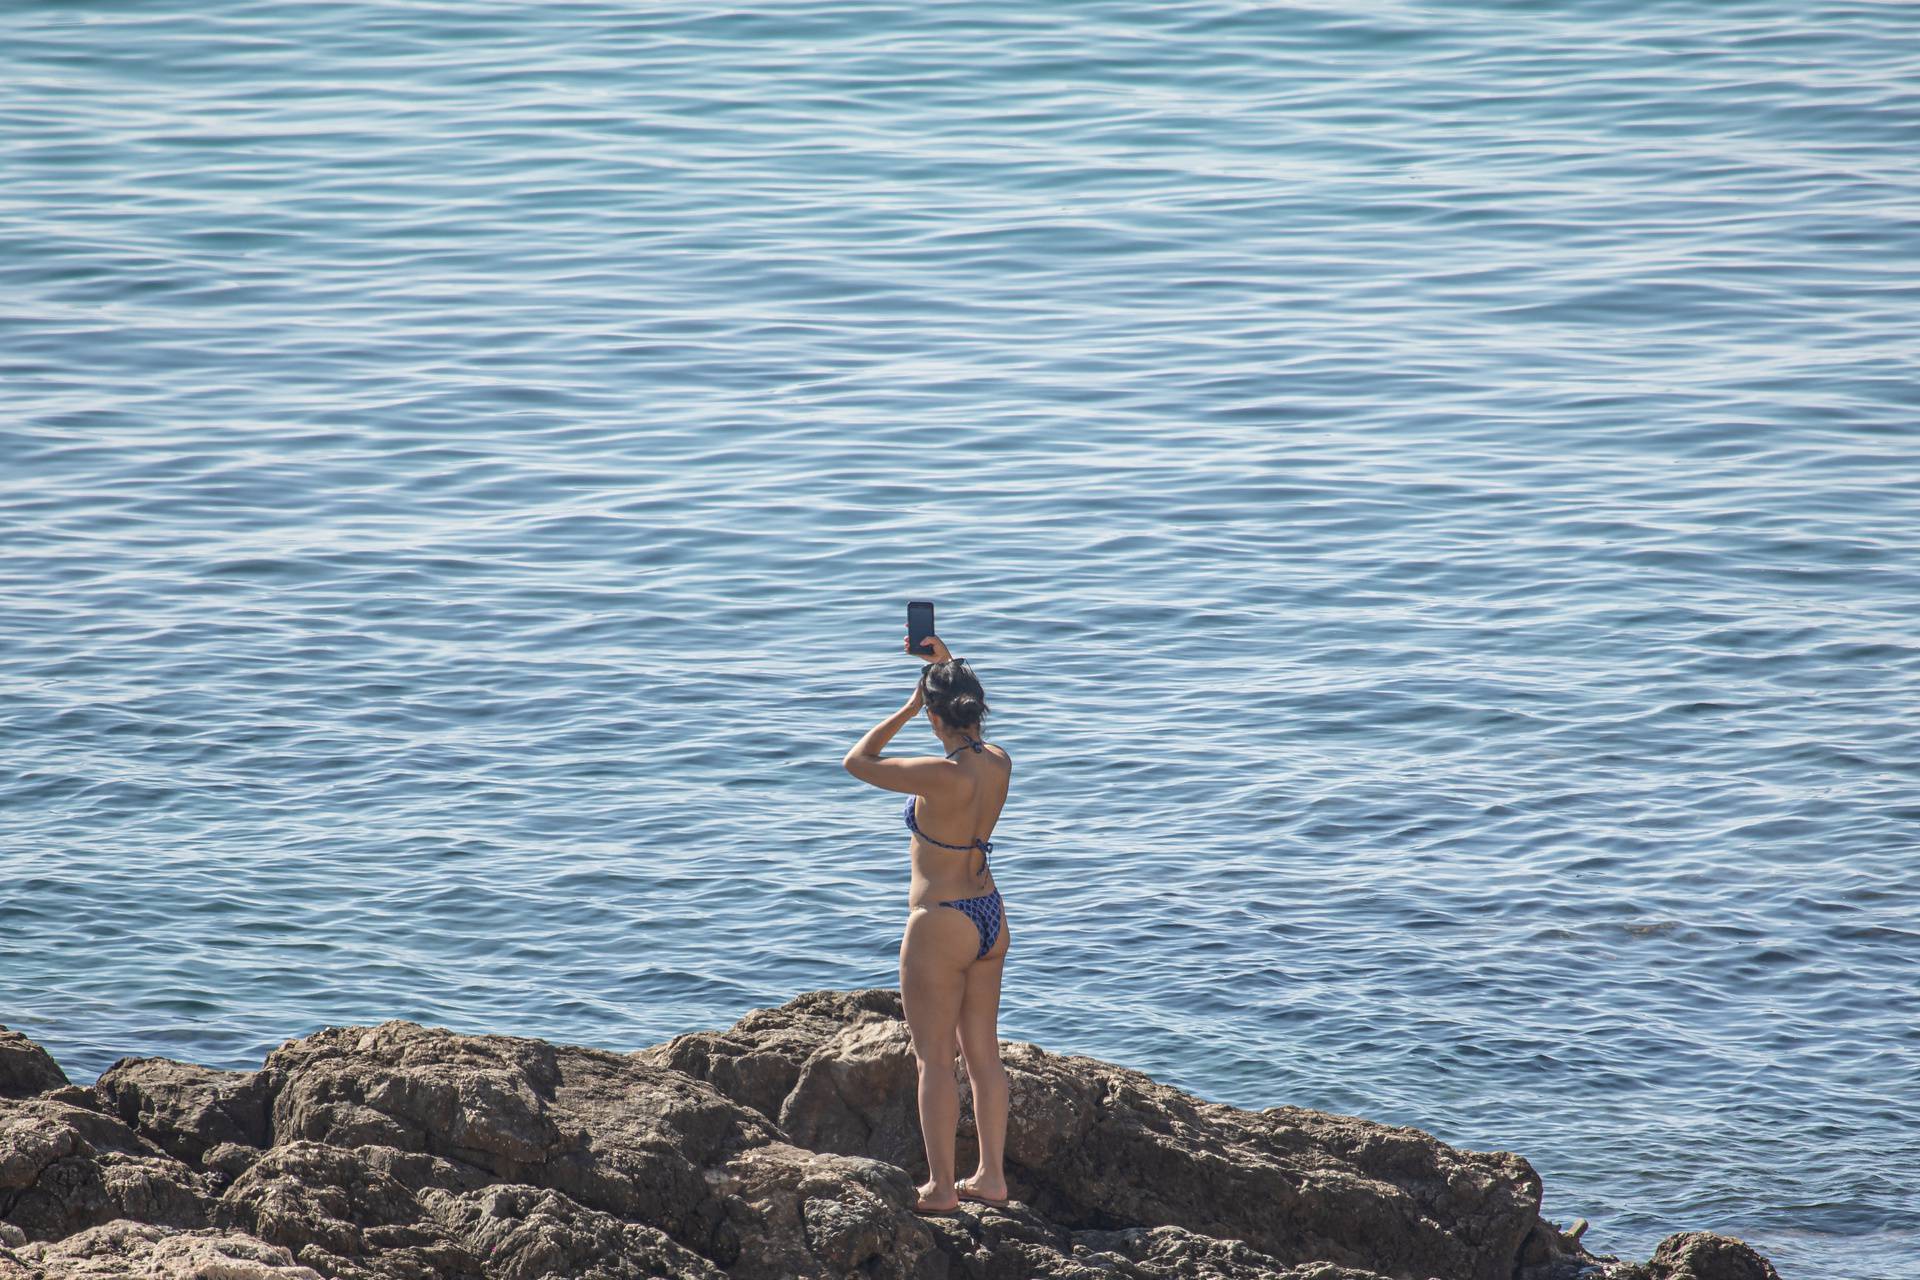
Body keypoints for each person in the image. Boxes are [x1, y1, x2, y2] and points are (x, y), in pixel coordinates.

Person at [842, 631, 1014, 1214]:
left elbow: (856, 761)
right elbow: (966, 717)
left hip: (940, 922)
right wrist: (946, 668)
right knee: (984, 1055)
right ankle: (991, 1178)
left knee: (934, 1058)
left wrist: (908, 707)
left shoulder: (940, 776)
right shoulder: (997, 763)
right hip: (989, 914)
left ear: (936, 716)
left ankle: (942, 1188)